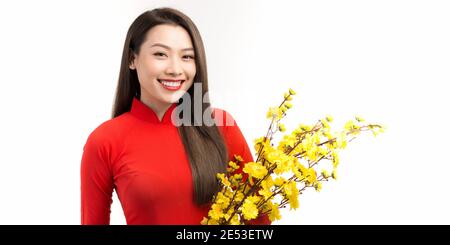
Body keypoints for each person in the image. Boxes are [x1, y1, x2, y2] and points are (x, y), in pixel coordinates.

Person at [80, 7, 270, 225]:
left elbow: (259, 222)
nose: (175, 69)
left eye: (187, 56)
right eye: (160, 54)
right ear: (132, 59)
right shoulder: (104, 141)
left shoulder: (220, 126)